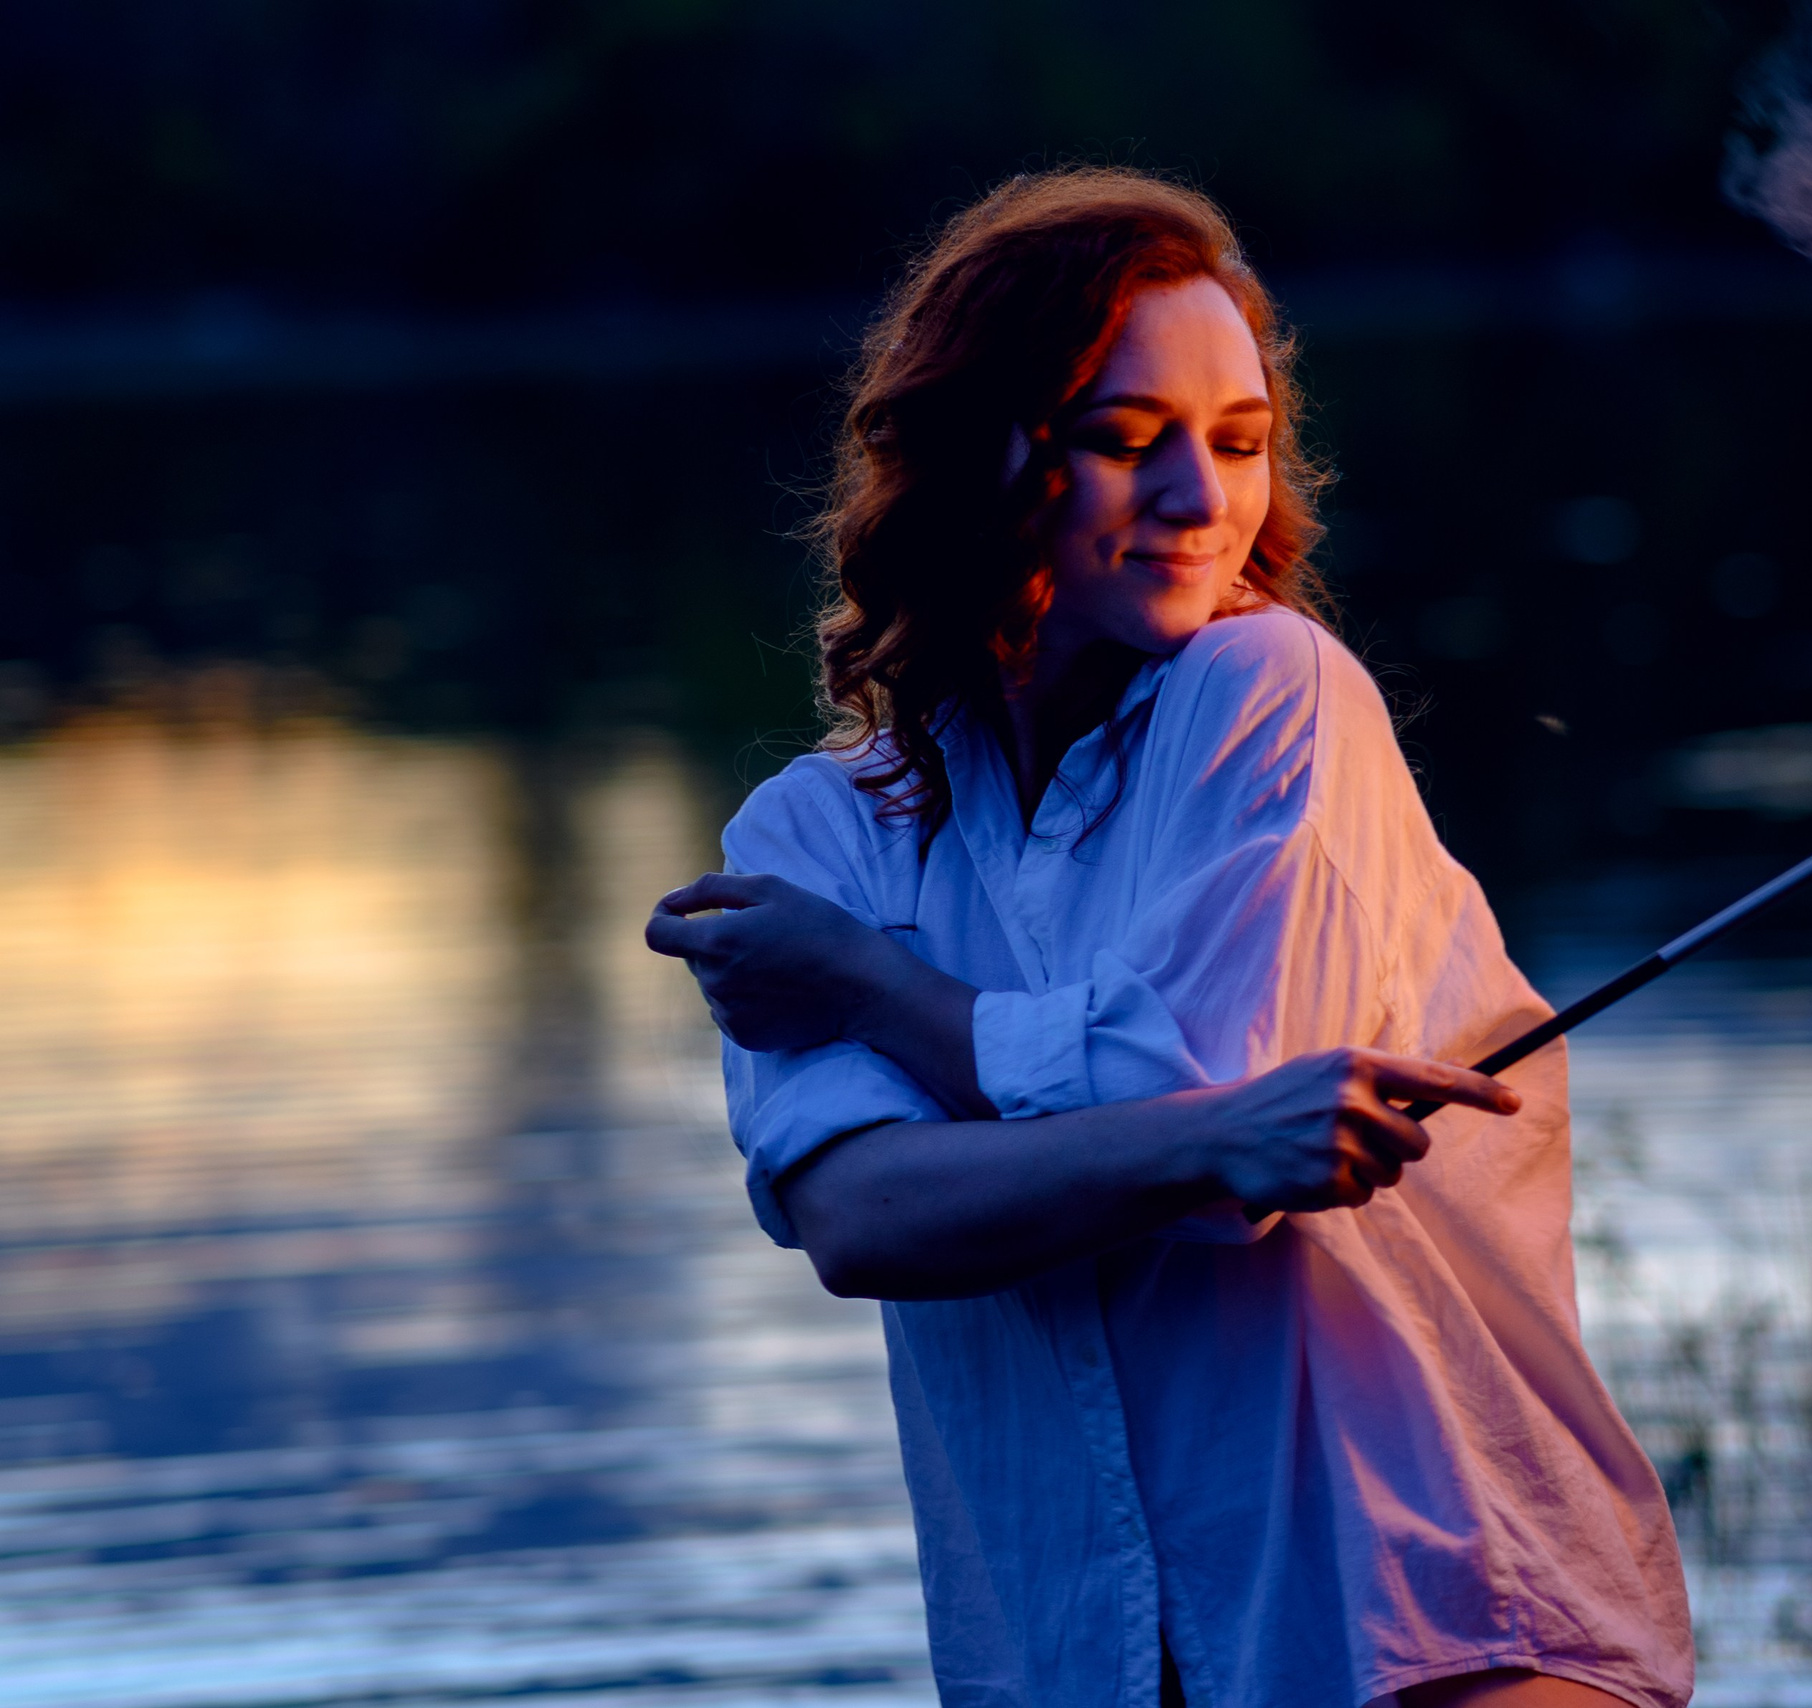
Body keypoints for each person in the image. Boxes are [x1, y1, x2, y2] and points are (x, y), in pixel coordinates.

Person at [645, 167, 1692, 1708]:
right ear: (976, 457)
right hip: (1079, 1665)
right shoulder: (812, 841)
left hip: (1436, 1628)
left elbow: (1200, 1098)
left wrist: (873, 986)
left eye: (1242, 443)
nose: (1204, 501)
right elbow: (867, 1222)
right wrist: (1207, 1137)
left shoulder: (1272, 687)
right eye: (1128, 443)